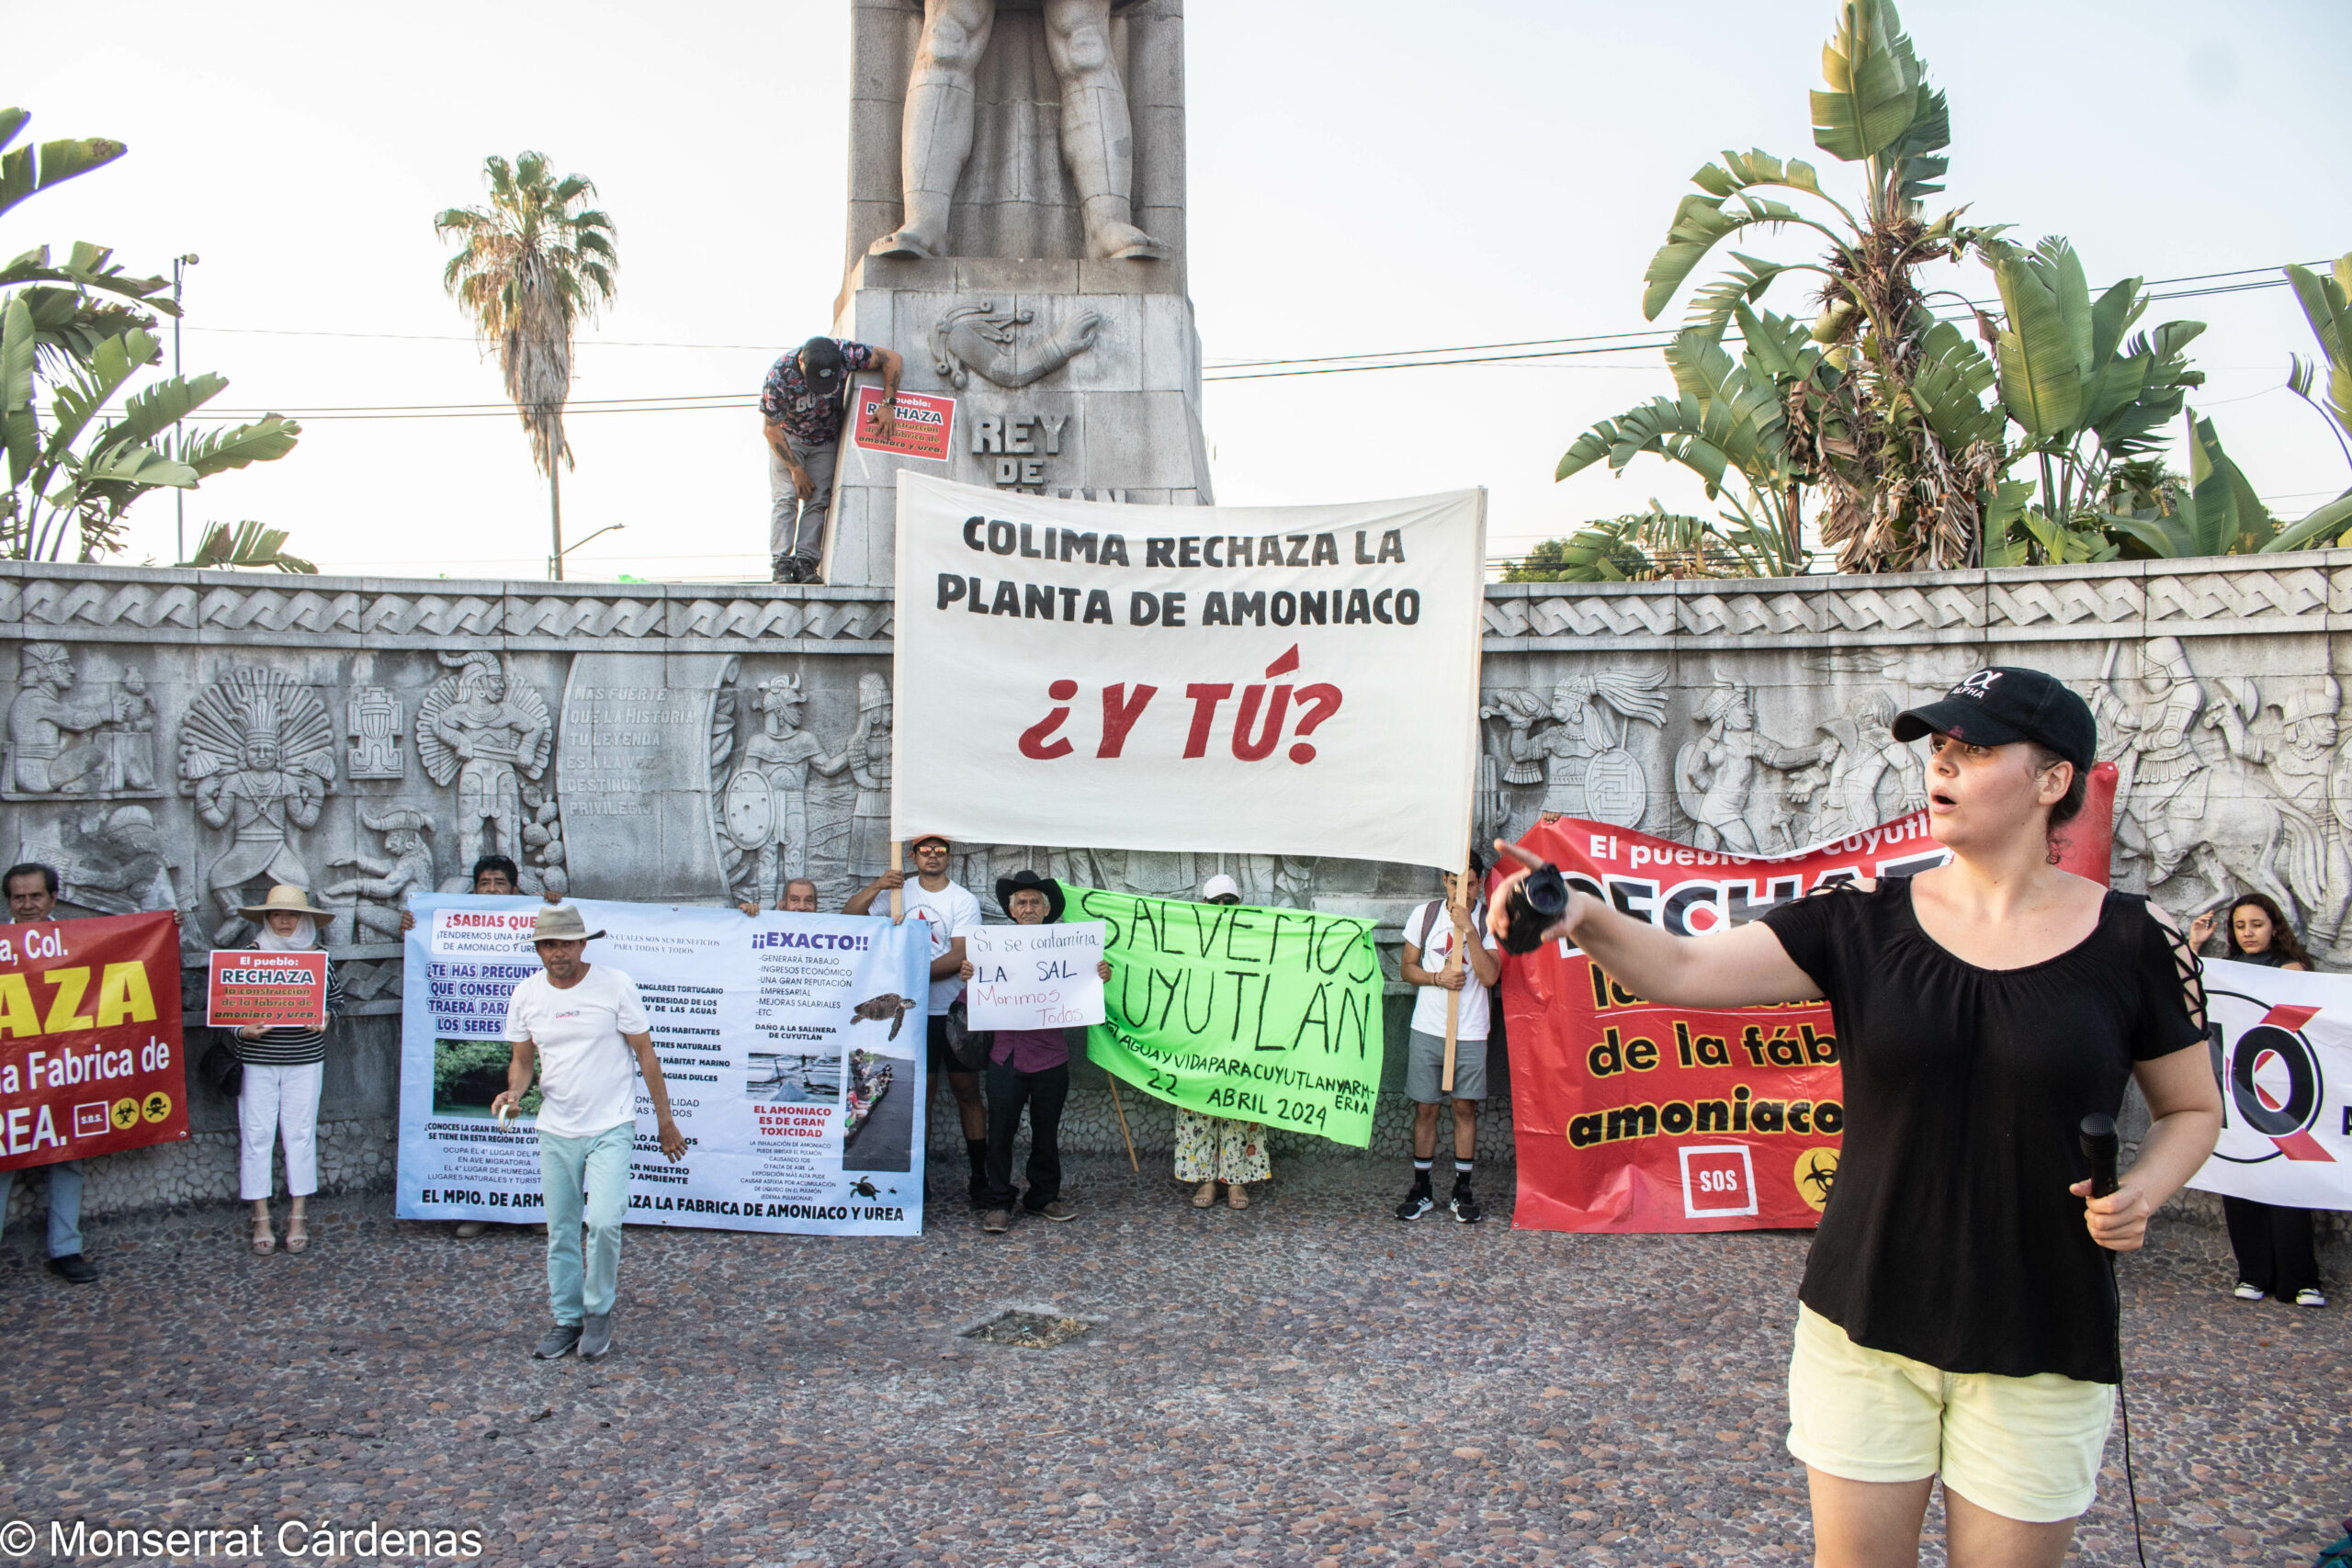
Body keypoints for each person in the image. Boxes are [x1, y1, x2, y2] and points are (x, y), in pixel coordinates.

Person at [1491, 666, 2222, 1565]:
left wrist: (2143, 1191)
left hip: (2042, 1337)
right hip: (1863, 1329)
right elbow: (1680, 971)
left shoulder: (2137, 941)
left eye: (1976, 748)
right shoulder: (1857, 922)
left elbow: (2192, 1109)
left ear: (2053, 779)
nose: (1942, 766)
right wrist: (1584, 919)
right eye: (1940, 748)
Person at [492, 903, 687, 1362]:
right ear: (538, 950)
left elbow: (647, 1057)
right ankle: (566, 1320)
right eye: (548, 945)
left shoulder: (615, 985)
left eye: (565, 943)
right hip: (557, 1126)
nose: (557, 953)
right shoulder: (526, 995)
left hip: (611, 1123)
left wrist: (665, 1120)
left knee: (602, 1220)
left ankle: (598, 1311)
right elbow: (523, 1060)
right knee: (560, 1229)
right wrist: (514, 1094)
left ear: (583, 944)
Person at [401, 853, 553, 1240]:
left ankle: (534, 1208)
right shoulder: (451, 918)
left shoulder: (537, 916)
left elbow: (567, 936)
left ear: (515, 888)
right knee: (482, 1136)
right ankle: (479, 1210)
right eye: (484, 883)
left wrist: (556, 903)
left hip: (530, 1024)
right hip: (477, 1018)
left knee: (532, 1134)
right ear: (475, 888)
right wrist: (414, 927)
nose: (492, 889)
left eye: (499, 882)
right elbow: (428, 944)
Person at [2190, 892, 2328, 1309]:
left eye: (2257, 924)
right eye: (2240, 926)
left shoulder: (2291, 969)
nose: (2248, 933)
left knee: (2287, 1186)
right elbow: (2187, 991)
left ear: (2274, 927)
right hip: (2239, 1094)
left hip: (2287, 1098)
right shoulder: (2226, 972)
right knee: (2241, 1181)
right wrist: (2194, 945)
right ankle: (2251, 1273)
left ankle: (2302, 1280)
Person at [958, 871, 1110, 1233]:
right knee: (1000, 1132)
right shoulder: (991, 949)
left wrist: (1100, 974)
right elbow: (968, 1003)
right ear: (1011, 911)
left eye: (1034, 903)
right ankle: (998, 1201)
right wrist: (970, 978)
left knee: (1047, 1133)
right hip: (1005, 1057)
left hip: (1050, 1057)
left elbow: (1086, 994)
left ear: (1046, 910)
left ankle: (1043, 1196)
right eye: (1021, 902)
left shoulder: (1067, 950)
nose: (1028, 908)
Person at [846, 834, 986, 1203]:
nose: (933, 856)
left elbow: (959, 955)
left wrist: (910, 977)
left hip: (953, 1012)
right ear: (913, 856)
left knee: (967, 1091)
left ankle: (980, 1177)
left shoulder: (963, 900)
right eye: (925, 850)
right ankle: (916, 1181)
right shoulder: (898, 893)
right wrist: (877, 885)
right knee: (919, 1096)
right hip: (912, 1018)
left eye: (940, 850)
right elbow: (849, 919)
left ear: (949, 857)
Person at [224, 886, 346, 1258]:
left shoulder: (318, 958)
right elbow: (224, 1006)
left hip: (305, 1059)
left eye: (291, 915)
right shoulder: (248, 956)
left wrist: (326, 1016)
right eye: (276, 914)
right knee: (257, 1134)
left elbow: (337, 1001)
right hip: (257, 1060)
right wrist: (241, 1029)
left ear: (304, 918)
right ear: (266, 918)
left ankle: (298, 1215)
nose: (284, 921)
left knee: (300, 1134)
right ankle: (259, 1216)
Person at [0, 863, 100, 1282]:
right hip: (11, 1076)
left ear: (53, 898)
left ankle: (65, 1249)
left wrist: (166, 926)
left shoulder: (79, 943)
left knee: (67, 1156)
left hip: (63, 1071)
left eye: (35, 896)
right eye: (18, 898)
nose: (26, 905)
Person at [1395, 856, 1501, 1224]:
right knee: (1425, 1108)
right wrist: (1437, 979)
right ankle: (1421, 1188)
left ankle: (1463, 1188)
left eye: (1469, 884)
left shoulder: (1488, 920)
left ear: (1481, 882)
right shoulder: (1425, 915)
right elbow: (1406, 968)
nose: (1462, 891)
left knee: (1464, 1109)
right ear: (1444, 881)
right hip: (1428, 1028)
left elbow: (1489, 977)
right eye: (1455, 883)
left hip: (1470, 1031)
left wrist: (1469, 929)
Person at [760, 335, 905, 583]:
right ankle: (782, 564)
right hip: (788, 437)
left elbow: (892, 359)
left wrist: (888, 404)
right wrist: (795, 469)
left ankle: (805, 562)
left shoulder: (846, 352)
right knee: (786, 498)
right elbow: (770, 429)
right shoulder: (780, 377)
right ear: (802, 362)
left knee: (818, 500)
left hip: (825, 440)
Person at [1175, 874, 1272, 1210]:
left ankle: (1237, 1180)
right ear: (1203, 905)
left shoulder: (1253, 940)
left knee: (1239, 1107)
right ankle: (1206, 1178)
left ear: (1238, 906)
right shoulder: (1190, 940)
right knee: (1200, 1105)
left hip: (1241, 1037)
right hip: (1200, 1038)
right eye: (1215, 902)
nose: (1221, 908)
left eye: (1228, 902)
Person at [740, 877, 822, 916]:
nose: (802, 907)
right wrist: (744, 915)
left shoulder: (827, 933)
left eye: (809, 901)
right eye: (794, 900)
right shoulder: (767, 929)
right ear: (782, 906)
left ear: (816, 906)